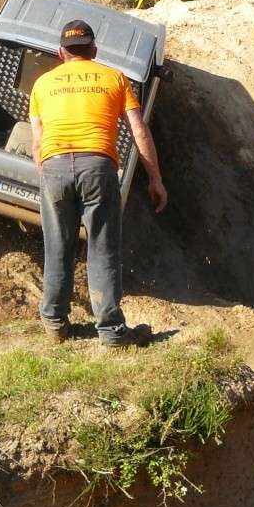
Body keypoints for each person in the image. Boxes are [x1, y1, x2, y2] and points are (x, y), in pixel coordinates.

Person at [29, 19, 167, 348]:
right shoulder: (113, 77)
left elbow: (37, 142)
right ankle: (110, 333)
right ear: (94, 50)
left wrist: (51, 176)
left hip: (54, 165)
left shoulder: (42, 85)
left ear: (61, 52)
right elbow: (138, 131)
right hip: (98, 166)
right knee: (102, 249)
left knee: (57, 247)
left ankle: (54, 325)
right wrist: (155, 178)